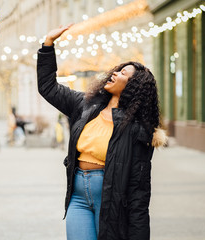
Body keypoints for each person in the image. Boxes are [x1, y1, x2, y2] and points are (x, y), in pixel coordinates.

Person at [37, 24, 168, 240]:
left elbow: (139, 192)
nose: (114, 73)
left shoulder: (137, 130)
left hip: (111, 203)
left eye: (123, 73)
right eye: (117, 69)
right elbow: (48, 88)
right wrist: (48, 45)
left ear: (133, 86)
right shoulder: (86, 105)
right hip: (78, 196)